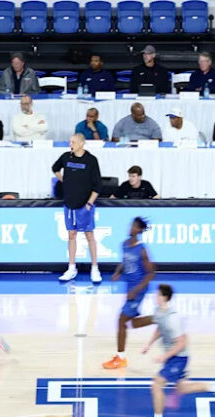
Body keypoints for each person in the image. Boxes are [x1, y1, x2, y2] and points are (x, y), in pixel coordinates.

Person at [133, 284, 215, 417]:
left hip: (178, 358)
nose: (155, 297)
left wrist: (164, 356)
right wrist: (148, 344)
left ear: (164, 297)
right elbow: (159, 328)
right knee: (182, 388)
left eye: (158, 295)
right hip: (172, 357)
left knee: (157, 384)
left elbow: (182, 342)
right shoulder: (159, 311)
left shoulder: (173, 319)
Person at [102, 217, 156, 370]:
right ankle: (157, 318)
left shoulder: (142, 250)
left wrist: (136, 290)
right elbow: (124, 262)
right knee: (129, 322)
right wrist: (118, 272)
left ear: (139, 230)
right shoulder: (125, 244)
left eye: (134, 226)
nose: (130, 228)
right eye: (131, 225)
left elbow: (151, 273)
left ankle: (120, 358)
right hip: (129, 288)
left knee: (121, 320)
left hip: (138, 289)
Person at [53, 134, 103, 283]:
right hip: (69, 203)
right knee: (71, 234)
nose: (71, 144)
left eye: (73, 142)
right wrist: (64, 180)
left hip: (85, 205)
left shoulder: (91, 160)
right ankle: (71, 267)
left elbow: (98, 185)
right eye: (70, 142)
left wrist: (89, 204)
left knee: (89, 235)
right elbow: (55, 168)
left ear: (82, 143)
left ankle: (95, 268)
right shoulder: (66, 157)